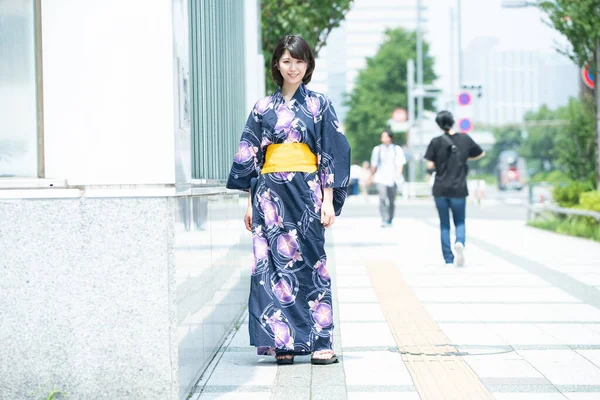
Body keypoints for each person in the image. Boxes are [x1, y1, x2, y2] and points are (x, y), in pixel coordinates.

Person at [226, 35, 350, 366]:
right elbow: (250, 155)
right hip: (269, 196)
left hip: (308, 191)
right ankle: (284, 341)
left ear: (308, 65)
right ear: (276, 65)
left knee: (313, 262)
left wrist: (327, 199)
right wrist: (251, 202)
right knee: (272, 267)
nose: (292, 68)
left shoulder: (319, 104)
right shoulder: (263, 108)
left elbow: (332, 152)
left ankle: (321, 340)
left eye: (299, 61)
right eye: (286, 61)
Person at [424, 111, 485, 266]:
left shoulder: (435, 142)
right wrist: (465, 157)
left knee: (444, 224)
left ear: (438, 124)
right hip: (459, 188)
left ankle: (448, 259)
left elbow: (430, 165)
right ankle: (460, 242)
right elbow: (481, 153)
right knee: (460, 221)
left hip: (440, 189)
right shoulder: (465, 139)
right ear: (453, 122)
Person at [370, 130, 406, 227]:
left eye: (385, 136)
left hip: (393, 178)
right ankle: (384, 219)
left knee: (391, 200)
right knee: (382, 198)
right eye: (382, 136)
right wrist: (371, 176)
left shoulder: (397, 149)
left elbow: (400, 163)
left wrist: (398, 175)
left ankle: (390, 218)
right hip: (380, 177)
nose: (383, 138)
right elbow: (373, 164)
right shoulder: (377, 149)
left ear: (390, 138)